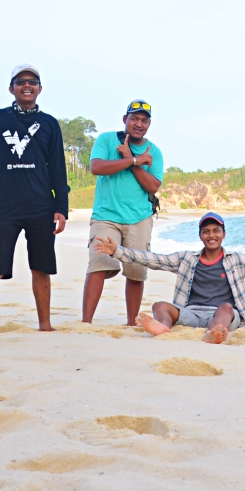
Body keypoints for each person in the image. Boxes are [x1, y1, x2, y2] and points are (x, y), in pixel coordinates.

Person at [93, 212, 245, 344]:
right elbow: (152, 259)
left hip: (224, 315)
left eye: (216, 231)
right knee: (160, 305)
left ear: (223, 234)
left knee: (226, 307)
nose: (211, 235)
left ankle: (214, 333)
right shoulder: (187, 258)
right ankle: (163, 327)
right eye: (206, 231)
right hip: (191, 313)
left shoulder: (237, 260)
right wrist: (116, 251)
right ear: (200, 235)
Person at [0, 64, 69, 335]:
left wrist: (61, 208)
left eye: (33, 81)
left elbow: (57, 168)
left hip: (41, 206)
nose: (27, 85)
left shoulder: (49, 124)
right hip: (7, 207)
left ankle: (45, 325)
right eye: (20, 82)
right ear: (12, 88)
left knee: (41, 268)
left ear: (40, 89)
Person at [81, 100, 163, 326]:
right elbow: (96, 168)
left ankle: (131, 322)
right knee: (99, 261)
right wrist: (134, 159)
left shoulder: (153, 151)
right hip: (106, 215)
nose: (139, 124)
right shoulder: (106, 140)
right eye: (134, 118)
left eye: (144, 120)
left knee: (136, 270)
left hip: (139, 218)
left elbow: (153, 186)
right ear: (124, 119)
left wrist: (133, 162)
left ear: (149, 124)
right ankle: (86, 322)